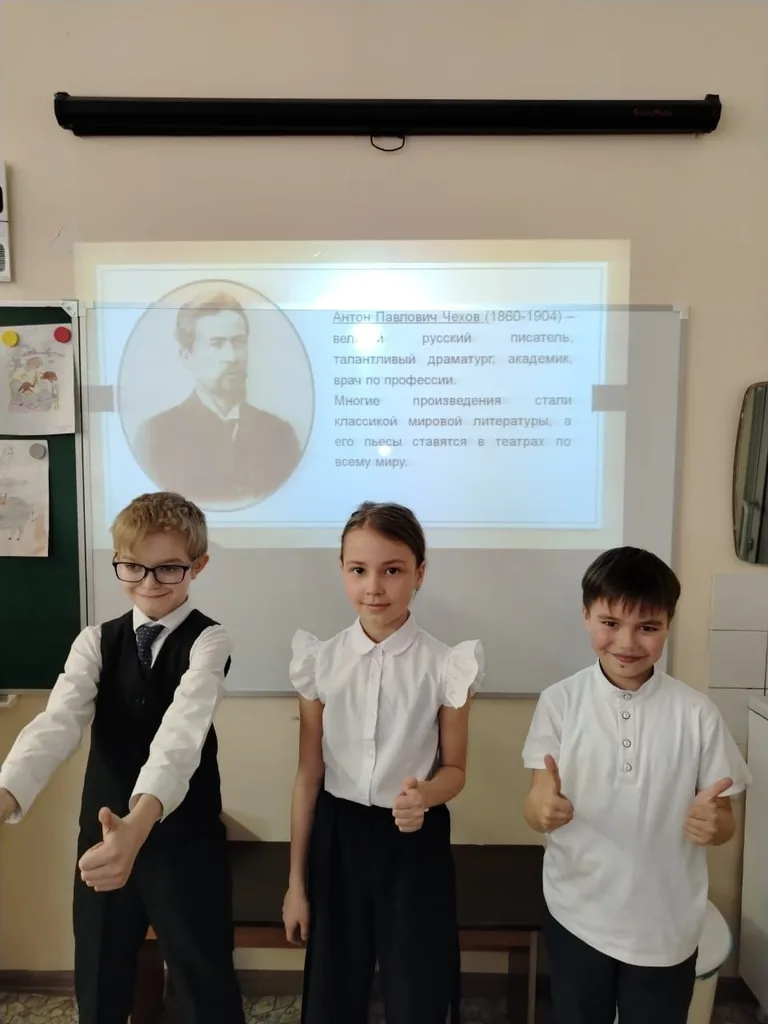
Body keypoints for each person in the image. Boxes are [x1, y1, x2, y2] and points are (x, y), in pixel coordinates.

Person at [0, 491, 245, 1024]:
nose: (149, 583)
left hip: (183, 841)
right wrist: (5, 794)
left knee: (204, 979)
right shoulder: (95, 641)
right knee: (100, 977)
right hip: (103, 835)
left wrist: (139, 823)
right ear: (117, 560)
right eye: (133, 567)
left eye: (168, 569)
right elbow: (57, 723)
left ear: (198, 565)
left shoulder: (209, 641)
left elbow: (182, 733)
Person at [522, 546, 751, 1024]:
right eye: (610, 622)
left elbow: (724, 820)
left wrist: (716, 824)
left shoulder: (696, 713)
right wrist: (542, 808)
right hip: (577, 912)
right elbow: (537, 798)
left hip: (666, 924)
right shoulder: (560, 702)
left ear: (668, 625)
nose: (627, 642)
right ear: (586, 616)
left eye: (648, 627)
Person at [282, 501, 484, 1024]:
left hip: (414, 841)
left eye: (392, 570)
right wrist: (296, 885)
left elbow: (456, 769)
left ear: (420, 573)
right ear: (342, 570)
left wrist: (426, 795)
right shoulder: (320, 661)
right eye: (359, 570)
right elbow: (308, 775)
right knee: (332, 992)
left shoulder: (446, 665)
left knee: (417, 990)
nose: (374, 587)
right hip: (338, 839)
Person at [133, 291, 302, 507]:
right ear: (186, 356)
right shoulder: (156, 436)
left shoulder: (280, 435)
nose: (232, 357)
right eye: (216, 344)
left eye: (238, 342)